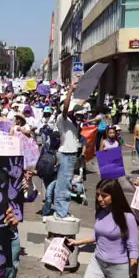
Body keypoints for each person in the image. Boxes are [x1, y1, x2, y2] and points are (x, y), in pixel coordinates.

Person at [53, 86, 81, 219]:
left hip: (71, 155)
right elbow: (65, 108)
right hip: (65, 154)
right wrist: (70, 91)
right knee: (63, 184)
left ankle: (63, 210)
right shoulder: (62, 118)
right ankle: (61, 213)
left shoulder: (72, 121)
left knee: (67, 183)